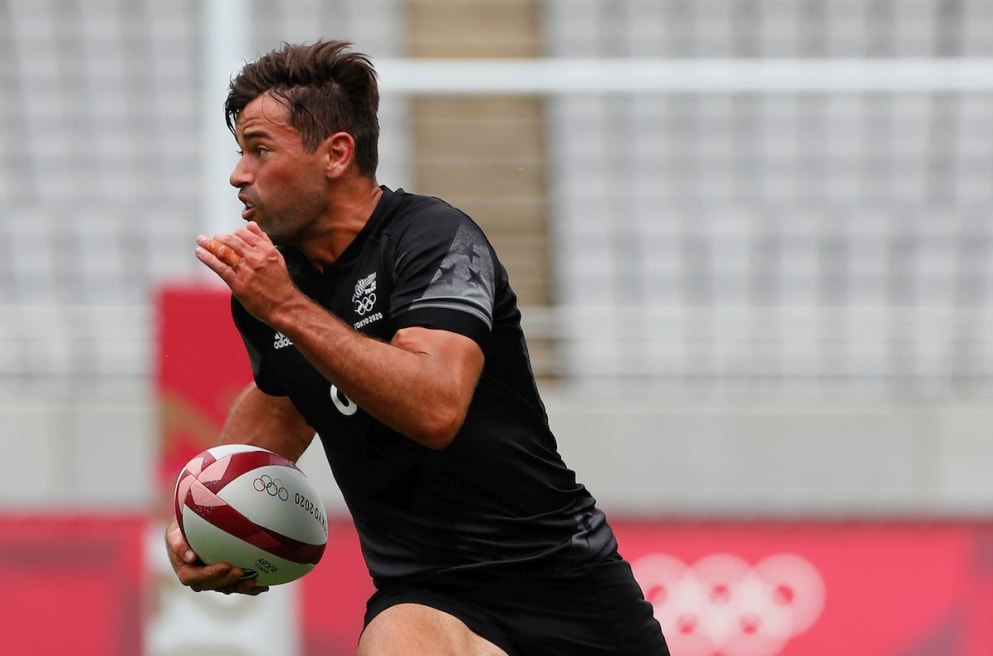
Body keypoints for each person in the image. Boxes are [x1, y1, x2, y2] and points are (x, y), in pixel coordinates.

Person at [165, 39, 669, 656]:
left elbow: (436, 408)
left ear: (337, 154)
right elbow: (281, 406)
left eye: (259, 149)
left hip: (564, 585)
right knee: (397, 641)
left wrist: (287, 309)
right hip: (426, 594)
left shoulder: (434, 240)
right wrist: (199, 518)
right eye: (240, 151)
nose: (238, 173)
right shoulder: (272, 285)